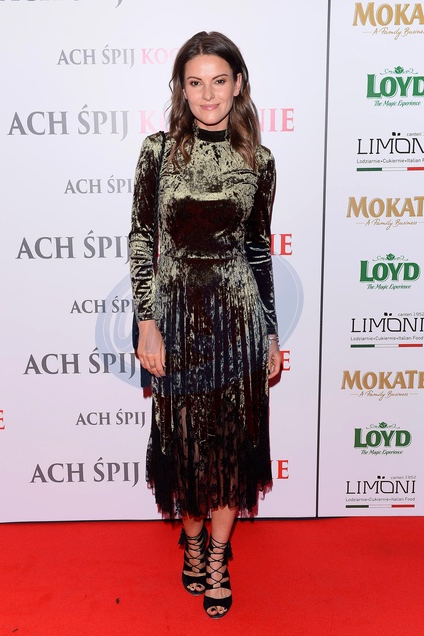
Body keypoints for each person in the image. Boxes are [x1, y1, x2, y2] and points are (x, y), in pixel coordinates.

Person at [129, 30, 281, 619]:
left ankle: (217, 556)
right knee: (185, 444)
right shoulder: (158, 152)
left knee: (231, 447)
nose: (208, 94)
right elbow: (142, 240)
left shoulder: (259, 162)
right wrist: (146, 321)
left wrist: (270, 332)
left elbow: (258, 250)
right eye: (196, 83)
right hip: (175, 316)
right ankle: (191, 542)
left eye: (219, 81)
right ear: (182, 89)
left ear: (238, 85)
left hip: (237, 320)